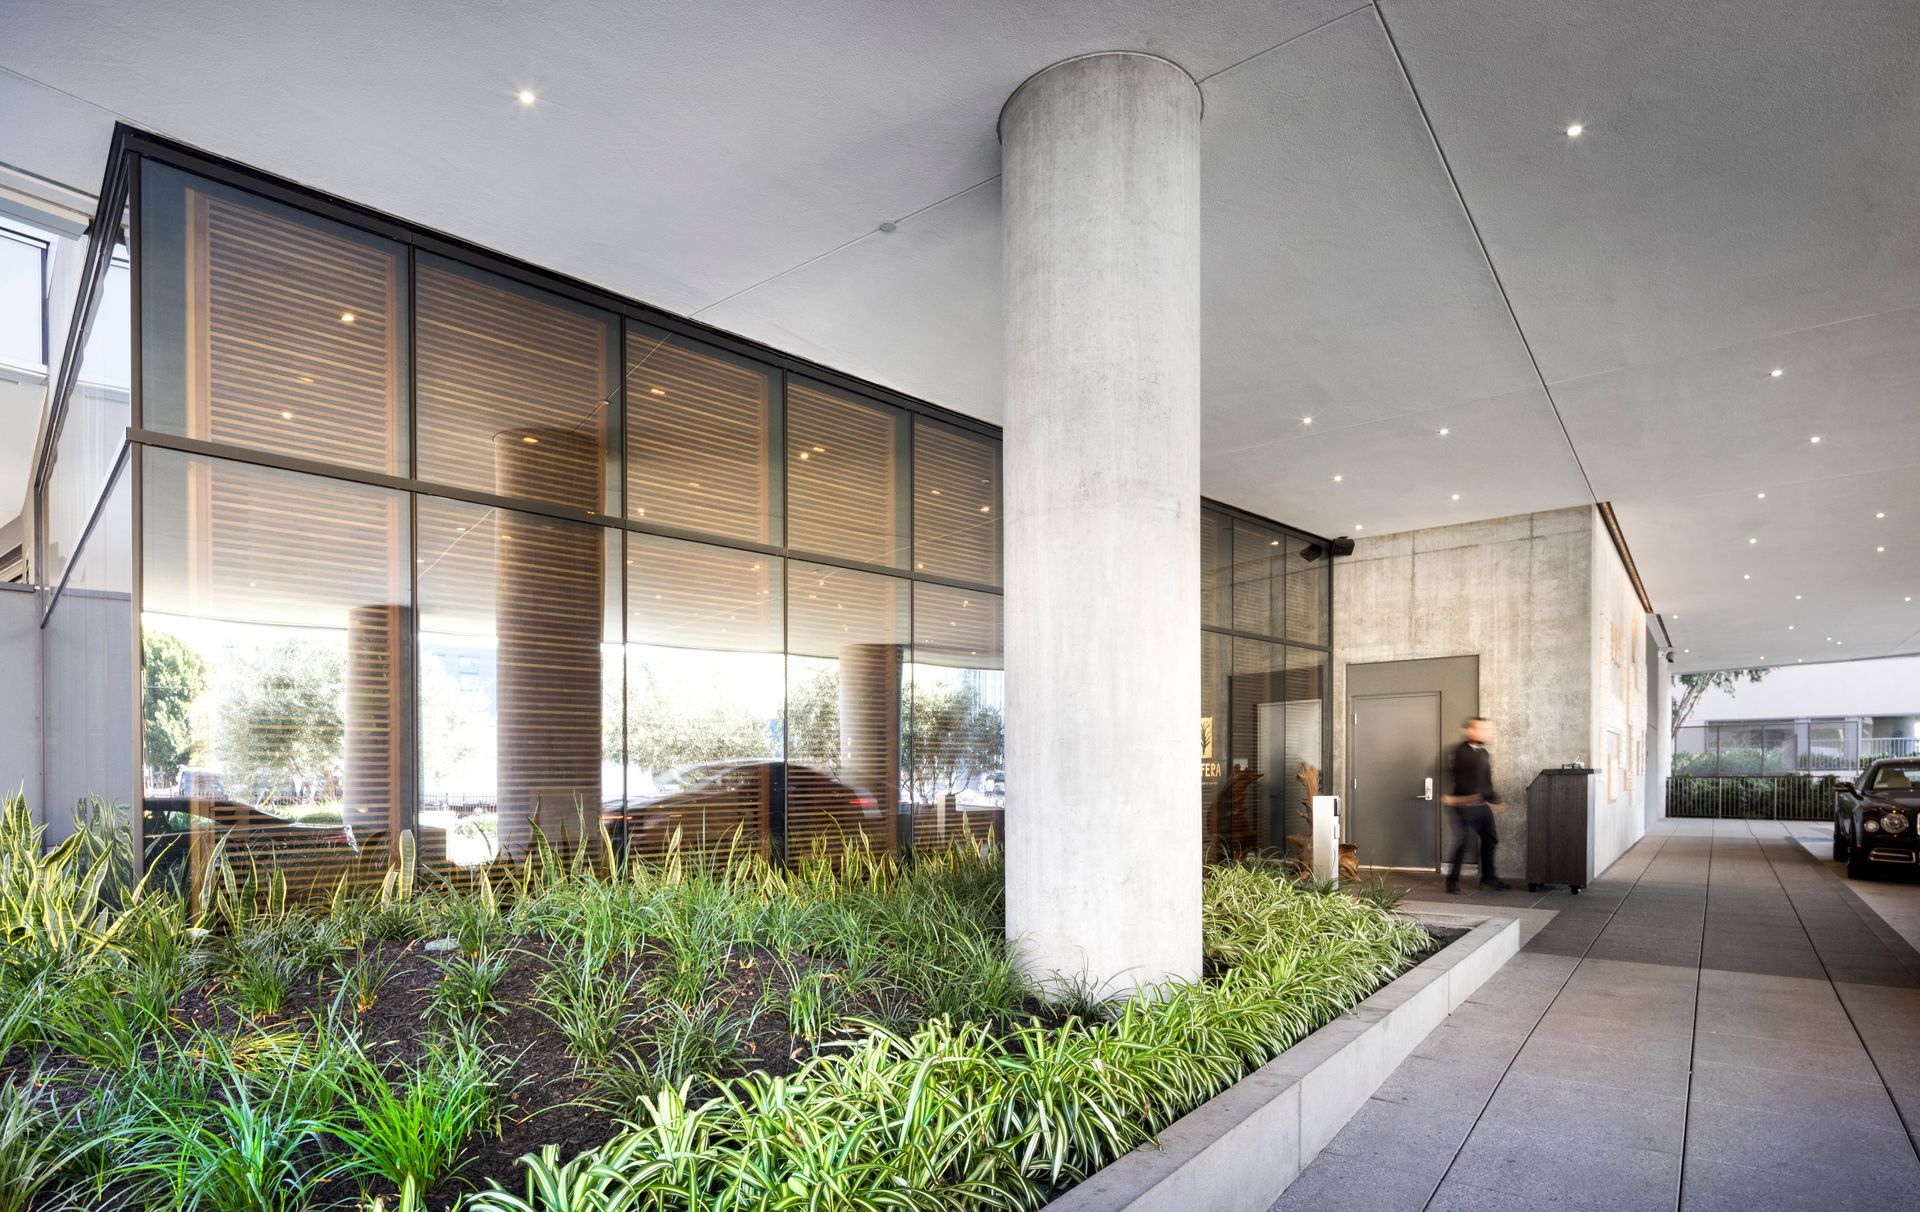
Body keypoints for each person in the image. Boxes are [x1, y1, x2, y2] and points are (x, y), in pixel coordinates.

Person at [1445, 716, 1509, 894]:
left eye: (1487, 729)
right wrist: (1450, 797)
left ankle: (1488, 879)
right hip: (1463, 806)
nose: (1486, 733)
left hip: (1481, 805)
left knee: (1490, 840)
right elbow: (1463, 782)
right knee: (1464, 842)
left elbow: (1486, 782)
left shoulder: (1483, 753)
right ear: (1469, 731)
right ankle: (1452, 881)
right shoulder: (1459, 753)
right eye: (1481, 729)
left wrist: (1495, 801)